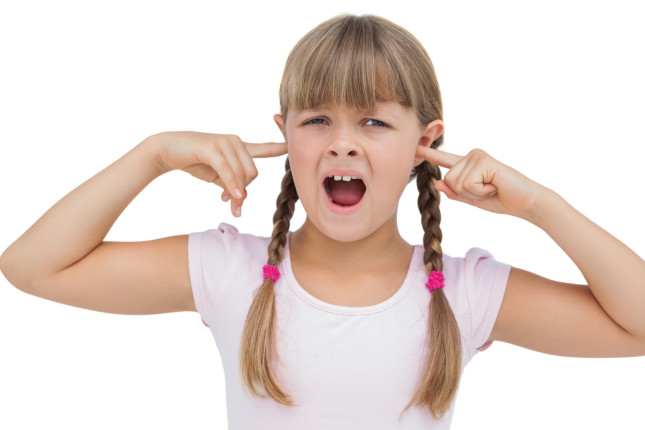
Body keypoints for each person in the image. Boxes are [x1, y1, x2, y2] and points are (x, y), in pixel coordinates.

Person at [1, 13, 644, 430]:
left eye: (373, 121)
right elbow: (32, 267)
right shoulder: (231, 271)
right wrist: (154, 154)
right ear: (285, 137)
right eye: (317, 120)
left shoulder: (463, 291)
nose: (342, 144)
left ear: (427, 141)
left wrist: (540, 205)